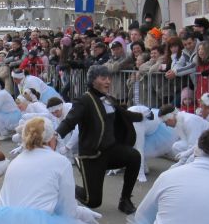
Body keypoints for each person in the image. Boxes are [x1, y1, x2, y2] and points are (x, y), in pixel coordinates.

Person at [57, 65, 145, 214]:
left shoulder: (110, 99)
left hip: (111, 150)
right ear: (92, 80)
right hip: (92, 155)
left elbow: (123, 114)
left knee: (134, 156)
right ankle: (68, 188)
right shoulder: (84, 100)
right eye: (103, 78)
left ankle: (125, 200)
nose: (108, 81)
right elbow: (70, 121)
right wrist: (55, 135)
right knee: (93, 202)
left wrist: (143, 116)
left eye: (109, 78)